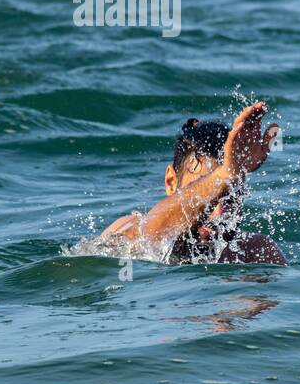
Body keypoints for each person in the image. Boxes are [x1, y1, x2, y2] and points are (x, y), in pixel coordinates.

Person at [98, 102, 286, 265]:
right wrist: (226, 174)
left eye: (230, 195)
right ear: (171, 182)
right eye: (209, 195)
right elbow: (147, 234)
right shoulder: (127, 232)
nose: (218, 213)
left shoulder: (254, 253)